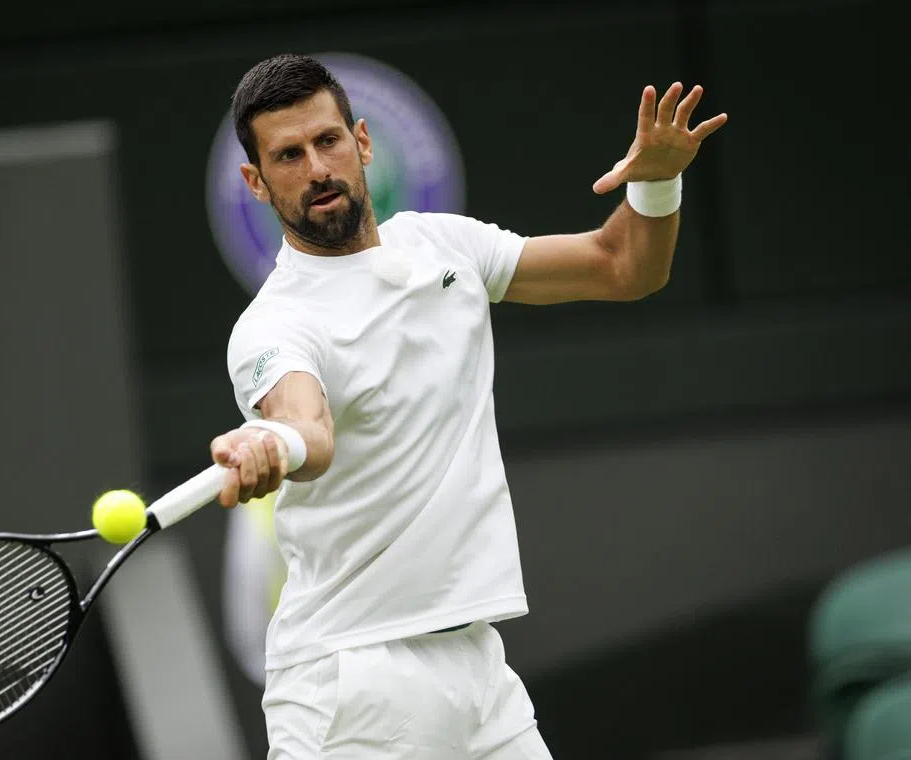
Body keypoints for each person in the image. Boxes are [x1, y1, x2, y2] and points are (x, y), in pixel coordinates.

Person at [209, 53, 727, 759]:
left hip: (478, 672)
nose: (317, 168)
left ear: (362, 142)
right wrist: (276, 444)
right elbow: (309, 427)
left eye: (327, 141)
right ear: (257, 183)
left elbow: (624, 266)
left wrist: (659, 180)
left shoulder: (443, 244)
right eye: (288, 156)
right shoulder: (274, 326)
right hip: (349, 684)